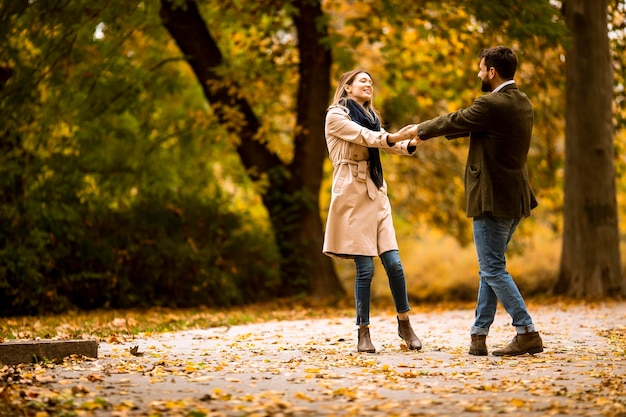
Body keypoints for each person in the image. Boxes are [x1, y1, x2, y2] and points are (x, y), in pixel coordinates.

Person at [410, 46, 543, 356]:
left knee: (493, 268)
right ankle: (478, 336)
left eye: (481, 69)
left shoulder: (491, 103)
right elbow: (474, 125)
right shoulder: (521, 102)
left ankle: (527, 331)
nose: (479, 74)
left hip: (491, 199)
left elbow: (457, 119)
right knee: (490, 267)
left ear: (492, 72)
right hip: (515, 198)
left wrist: (419, 130)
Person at [323, 69, 421, 353]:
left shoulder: (372, 117)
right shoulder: (336, 116)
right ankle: (363, 332)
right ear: (347, 86)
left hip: (376, 192)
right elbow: (366, 137)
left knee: (394, 265)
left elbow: (381, 141)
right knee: (365, 268)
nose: (369, 84)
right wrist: (392, 137)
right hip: (352, 194)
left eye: (371, 81)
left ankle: (405, 324)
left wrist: (409, 144)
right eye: (362, 80)